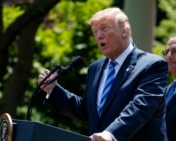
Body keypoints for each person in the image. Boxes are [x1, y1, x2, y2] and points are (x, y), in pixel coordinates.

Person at [38, 7, 168, 141]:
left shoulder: (152, 65)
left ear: (124, 31)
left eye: (104, 28)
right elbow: (86, 110)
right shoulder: (95, 68)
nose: (99, 35)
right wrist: (53, 89)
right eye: (95, 31)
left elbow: (141, 106)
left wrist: (111, 134)